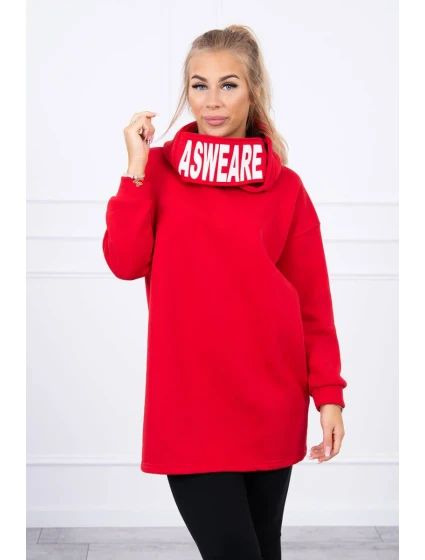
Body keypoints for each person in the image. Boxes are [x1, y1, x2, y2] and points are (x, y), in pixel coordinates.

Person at [102, 24, 347, 560]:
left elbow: (312, 303)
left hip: (271, 403)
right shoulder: (157, 173)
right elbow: (124, 262)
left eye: (228, 85)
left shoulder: (286, 188)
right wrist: (136, 169)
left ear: (252, 91)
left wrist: (328, 395)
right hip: (189, 407)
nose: (212, 100)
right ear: (186, 92)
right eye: (199, 85)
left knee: (263, 550)